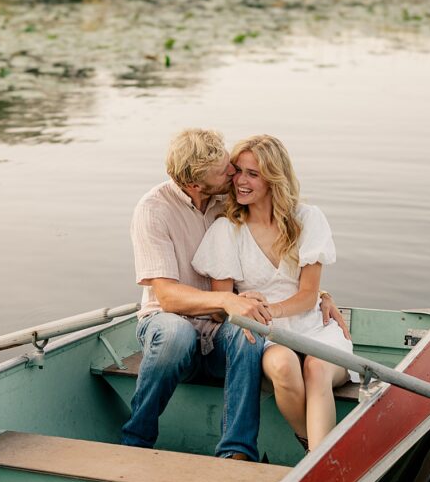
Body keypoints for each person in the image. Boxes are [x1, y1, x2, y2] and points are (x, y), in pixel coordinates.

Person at [121, 127, 347, 462]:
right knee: (176, 334)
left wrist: (319, 294)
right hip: (170, 318)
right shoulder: (154, 210)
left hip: (221, 324)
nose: (232, 175)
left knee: (247, 336)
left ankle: (237, 452)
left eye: (235, 168)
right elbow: (167, 297)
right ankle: (136, 441)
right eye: (226, 170)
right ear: (196, 183)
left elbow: (280, 249)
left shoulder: (226, 198)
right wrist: (228, 301)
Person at [192, 134, 354, 453]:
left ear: (273, 179)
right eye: (237, 170)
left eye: (252, 174)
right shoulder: (226, 230)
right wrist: (252, 314)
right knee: (283, 366)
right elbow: (222, 305)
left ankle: (319, 466)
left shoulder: (307, 219)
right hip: (263, 336)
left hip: (313, 326)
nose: (240, 180)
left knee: (316, 368)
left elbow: (308, 296)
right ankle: (312, 447)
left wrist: (272, 310)